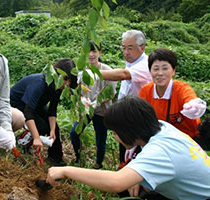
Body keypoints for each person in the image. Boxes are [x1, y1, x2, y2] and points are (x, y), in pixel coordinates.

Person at [46, 96, 210, 200]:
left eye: (115, 132)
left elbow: (116, 182)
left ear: (129, 131)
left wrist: (66, 170)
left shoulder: (160, 151)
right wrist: (138, 175)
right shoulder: (162, 127)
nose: (116, 137)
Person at [99, 30, 152, 178]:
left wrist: (92, 73)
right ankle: (123, 177)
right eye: (123, 48)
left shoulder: (145, 64)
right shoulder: (131, 62)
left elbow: (123, 75)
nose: (126, 52)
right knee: (125, 151)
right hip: (126, 116)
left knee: (137, 154)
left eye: (130, 48)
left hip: (137, 119)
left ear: (142, 47)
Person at [10, 58, 78, 166]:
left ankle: (55, 158)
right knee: (40, 126)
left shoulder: (58, 87)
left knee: (54, 128)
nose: (67, 84)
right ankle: (23, 141)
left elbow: (52, 110)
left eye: (69, 80)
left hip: (36, 105)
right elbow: (28, 112)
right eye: (65, 79)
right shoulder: (39, 84)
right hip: (18, 105)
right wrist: (37, 137)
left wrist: (52, 130)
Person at [139, 48, 206, 139]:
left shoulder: (182, 88)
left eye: (165, 68)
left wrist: (194, 106)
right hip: (159, 140)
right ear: (150, 71)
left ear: (173, 71)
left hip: (187, 140)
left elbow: (190, 99)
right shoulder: (145, 91)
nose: (160, 73)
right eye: (156, 69)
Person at [70, 41, 117, 169]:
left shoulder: (108, 70)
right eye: (88, 52)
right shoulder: (82, 70)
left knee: (100, 138)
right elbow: (80, 90)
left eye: (94, 51)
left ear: (100, 53)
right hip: (87, 109)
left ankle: (98, 164)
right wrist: (82, 102)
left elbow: (111, 93)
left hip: (102, 111)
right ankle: (78, 157)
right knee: (74, 132)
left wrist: (97, 102)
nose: (91, 55)